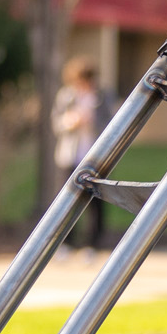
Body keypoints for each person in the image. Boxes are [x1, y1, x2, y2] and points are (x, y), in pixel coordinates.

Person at [52, 56, 111, 248]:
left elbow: (109, 125)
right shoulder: (66, 96)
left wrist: (91, 121)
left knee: (95, 202)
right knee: (68, 200)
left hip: (94, 156)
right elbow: (56, 123)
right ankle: (66, 242)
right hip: (69, 155)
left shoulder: (101, 97)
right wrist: (70, 122)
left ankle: (92, 243)